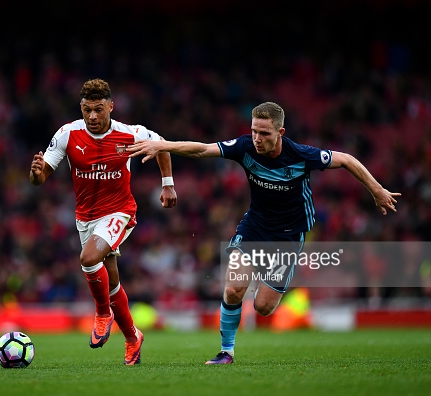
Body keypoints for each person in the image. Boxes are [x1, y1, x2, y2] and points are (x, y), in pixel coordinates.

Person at [128, 101, 400, 364]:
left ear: (280, 133)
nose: (257, 138)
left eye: (264, 133)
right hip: (255, 227)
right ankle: (226, 352)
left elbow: (346, 159)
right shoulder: (245, 147)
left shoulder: (301, 155)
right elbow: (202, 150)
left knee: (263, 308)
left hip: (289, 235)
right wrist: (163, 145)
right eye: (254, 131)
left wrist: (376, 190)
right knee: (234, 288)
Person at [30, 78, 177, 365]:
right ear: (81, 108)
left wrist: (168, 184)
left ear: (111, 106)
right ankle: (133, 337)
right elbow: (41, 176)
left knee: (88, 258)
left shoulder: (130, 133)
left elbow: (162, 145)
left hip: (120, 212)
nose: (93, 116)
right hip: (85, 218)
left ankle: (101, 314)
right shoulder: (67, 134)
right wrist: (35, 174)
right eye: (87, 110)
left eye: (98, 109)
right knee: (110, 283)